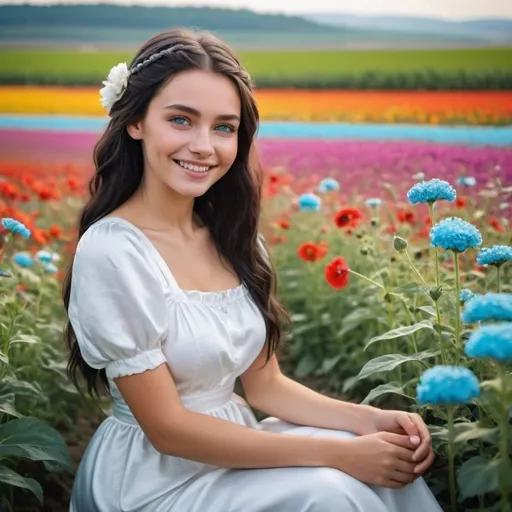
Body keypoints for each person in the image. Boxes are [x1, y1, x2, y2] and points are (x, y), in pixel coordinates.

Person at [63, 27, 442, 512]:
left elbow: (266, 386)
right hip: (154, 477)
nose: (204, 145)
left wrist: (367, 421)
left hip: (235, 448)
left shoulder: (236, 241)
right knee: (330, 491)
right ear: (136, 121)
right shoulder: (113, 252)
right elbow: (167, 429)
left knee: (391, 469)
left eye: (224, 127)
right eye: (181, 120)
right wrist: (340, 452)